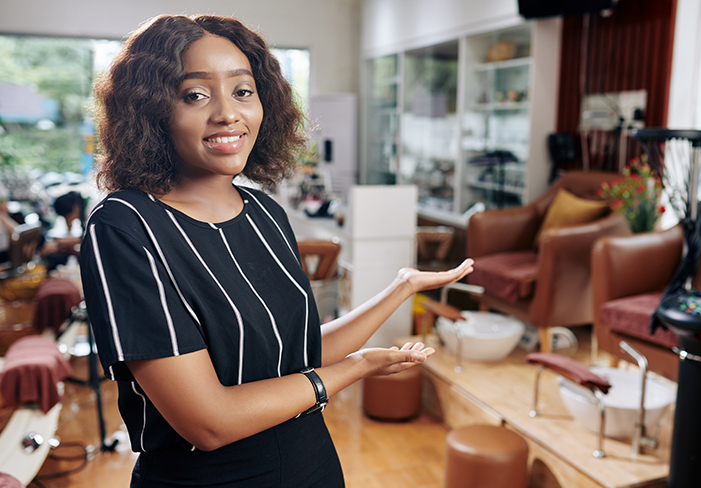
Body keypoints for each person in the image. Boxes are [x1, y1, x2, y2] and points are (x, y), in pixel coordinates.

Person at [79, 14, 473, 488]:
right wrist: (357, 369)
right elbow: (209, 422)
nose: (228, 113)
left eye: (243, 91)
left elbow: (298, 354)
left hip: (315, 469)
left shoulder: (265, 213)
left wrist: (400, 287)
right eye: (195, 94)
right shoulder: (125, 227)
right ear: (151, 109)